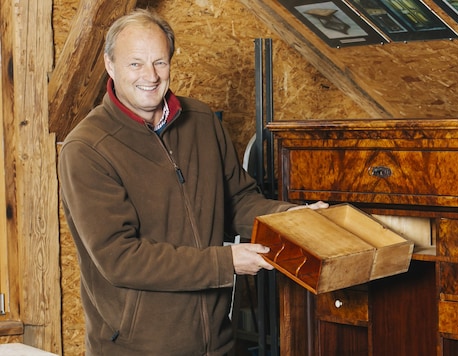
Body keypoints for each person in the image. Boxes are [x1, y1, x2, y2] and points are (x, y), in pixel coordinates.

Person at [58, 9, 327, 356]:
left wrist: (297, 220)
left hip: (217, 343)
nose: (150, 76)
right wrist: (226, 263)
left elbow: (239, 201)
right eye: (135, 64)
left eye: (159, 62)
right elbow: (120, 258)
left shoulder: (201, 121)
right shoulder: (88, 148)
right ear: (110, 65)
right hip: (139, 349)